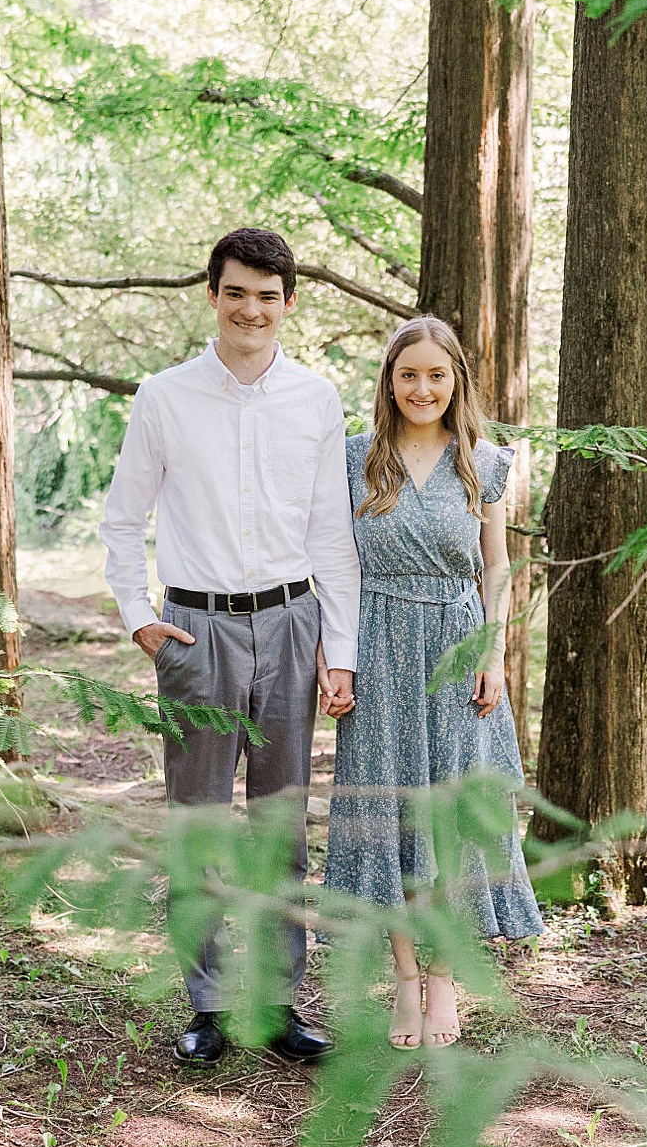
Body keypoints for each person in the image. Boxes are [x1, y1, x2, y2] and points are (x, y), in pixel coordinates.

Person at [99, 227, 361, 1066]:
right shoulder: (165, 396)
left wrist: (341, 646)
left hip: (291, 623)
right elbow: (121, 516)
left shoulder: (316, 399)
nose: (253, 308)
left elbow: (330, 531)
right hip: (196, 627)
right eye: (238, 291)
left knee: (281, 822)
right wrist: (140, 614)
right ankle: (207, 1006)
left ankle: (280, 1003)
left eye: (269, 294)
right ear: (212, 294)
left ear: (289, 302)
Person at [323, 315, 544, 1050]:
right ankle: (404, 980)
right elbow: (339, 567)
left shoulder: (483, 461)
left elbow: (496, 568)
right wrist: (338, 658)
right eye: (409, 373)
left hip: (457, 643)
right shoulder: (356, 458)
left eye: (437, 375)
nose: (423, 387)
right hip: (381, 643)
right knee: (391, 811)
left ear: (457, 382)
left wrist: (494, 655)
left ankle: (445, 979)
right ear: (390, 380)